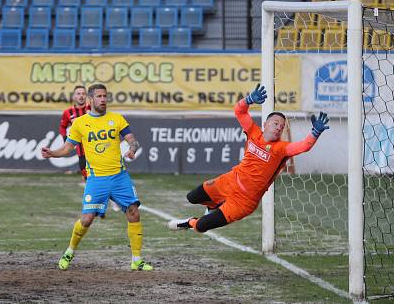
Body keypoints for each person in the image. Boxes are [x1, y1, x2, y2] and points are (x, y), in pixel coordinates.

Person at [167, 84, 330, 233]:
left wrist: (315, 133)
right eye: (275, 123)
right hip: (230, 180)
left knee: (201, 226)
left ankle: (189, 222)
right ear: (265, 124)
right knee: (192, 197)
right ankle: (213, 206)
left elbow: (304, 146)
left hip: (244, 202)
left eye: (282, 126)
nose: (279, 127)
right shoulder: (254, 132)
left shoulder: (281, 149)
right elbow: (239, 110)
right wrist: (249, 100)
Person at [42, 83, 154, 271]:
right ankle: (69, 252)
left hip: (119, 177)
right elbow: (68, 148)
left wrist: (133, 149)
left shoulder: (117, 119)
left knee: (133, 212)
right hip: (96, 179)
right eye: (99, 96)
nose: (103, 100)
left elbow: (132, 140)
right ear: (90, 100)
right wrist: (52, 153)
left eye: (105, 96)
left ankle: (136, 260)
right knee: (86, 220)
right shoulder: (79, 123)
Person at [59, 85, 90, 183]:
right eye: (78, 94)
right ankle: (86, 182)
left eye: (83, 94)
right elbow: (63, 126)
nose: (81, 96)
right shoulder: (68, 112)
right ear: (74, 96)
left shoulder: (92, 108)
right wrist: (65, 139)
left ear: (87, 96)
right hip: (81, 147)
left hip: (95, 143)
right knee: (84, 170)